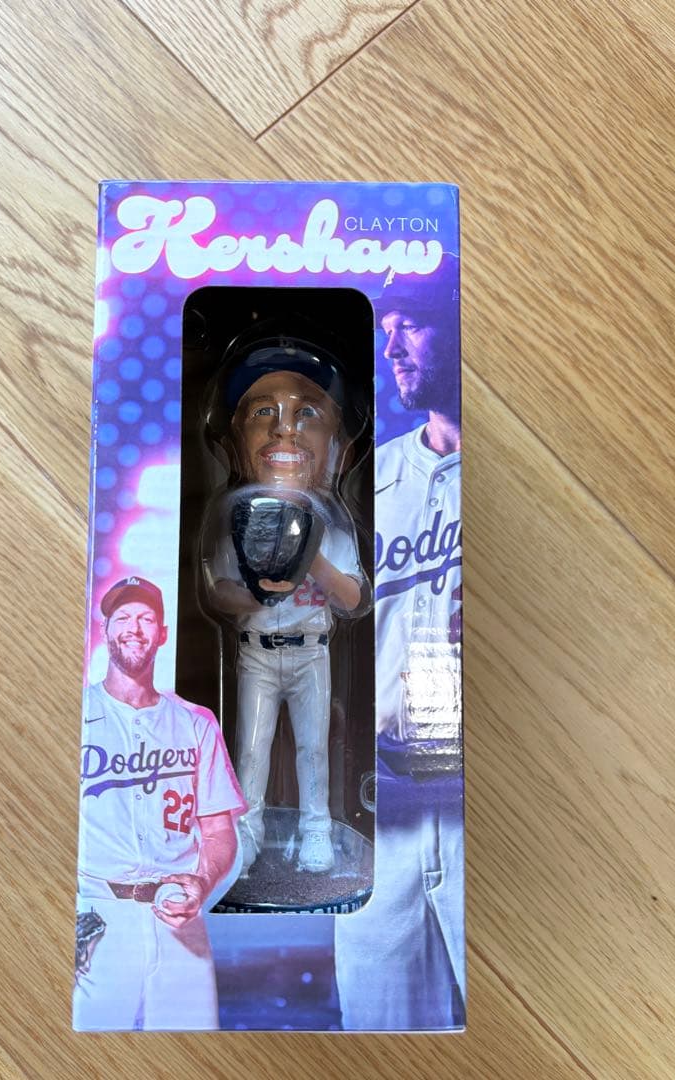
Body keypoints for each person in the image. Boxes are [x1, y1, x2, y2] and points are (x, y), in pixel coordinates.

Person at [335, 274, 466, 1029]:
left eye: (409, 324)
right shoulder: (369, 484)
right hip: (383, 807)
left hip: (485, 801)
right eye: (386, 331)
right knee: (382, 1040)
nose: (392, 349)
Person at [204, 338, 368, 875]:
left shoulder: (331, 520)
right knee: (252, 747)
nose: (285, 429)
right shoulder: (238, 514)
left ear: (338, 446)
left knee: (313, 747)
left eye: (307, 414)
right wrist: (258, 592)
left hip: (310, 651)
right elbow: (217, 591)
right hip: (256, 651)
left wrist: (310, 558)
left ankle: (316, 828)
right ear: (235, 440)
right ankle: (247, 831)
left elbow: (354, 598)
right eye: (263, 413)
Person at [74, 576, 247, 1031]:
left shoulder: (196, 722)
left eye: (146, 618)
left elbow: (219, 832)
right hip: (98, 914)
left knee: (194, 1052)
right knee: (89, 1053)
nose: (134, 628)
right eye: (123, 618)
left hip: (180, 920)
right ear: (105, 630)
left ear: (163, 633)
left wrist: (202, 882)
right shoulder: (74, 716)